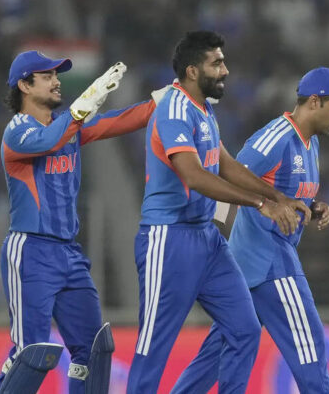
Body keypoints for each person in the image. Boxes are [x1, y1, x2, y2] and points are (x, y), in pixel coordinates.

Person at [127, 31, 312, 394]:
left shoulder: (204, 108)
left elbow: (225, 164)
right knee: (153, 349)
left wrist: (277, 196)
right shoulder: (174, 110)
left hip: (207, 239)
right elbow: (195, 176)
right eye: (217, 63)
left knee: (245, 329)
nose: (225, 70)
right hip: (169, 238)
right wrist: (261, 204)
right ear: (193, 71)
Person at [171, 66, 329, 394]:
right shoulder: (276, 138)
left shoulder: (310, 143)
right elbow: (226, 175)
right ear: (314, 102)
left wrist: (313, 206)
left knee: (215, 355)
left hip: (250, 268)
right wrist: (212, 235)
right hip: (270, 263)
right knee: (309, 347)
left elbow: (284, 192)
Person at [0, 51, 163, 394]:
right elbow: (48, 141)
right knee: (31, 355)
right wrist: (85, 104)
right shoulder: (17, 132)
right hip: (31, 252)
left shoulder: (68, 127)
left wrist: (168, 100)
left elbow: (116, 121)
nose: (56, 82)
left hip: (69, 255)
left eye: (56, 75)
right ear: (24, 85)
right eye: (47, 76)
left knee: (95, 349)